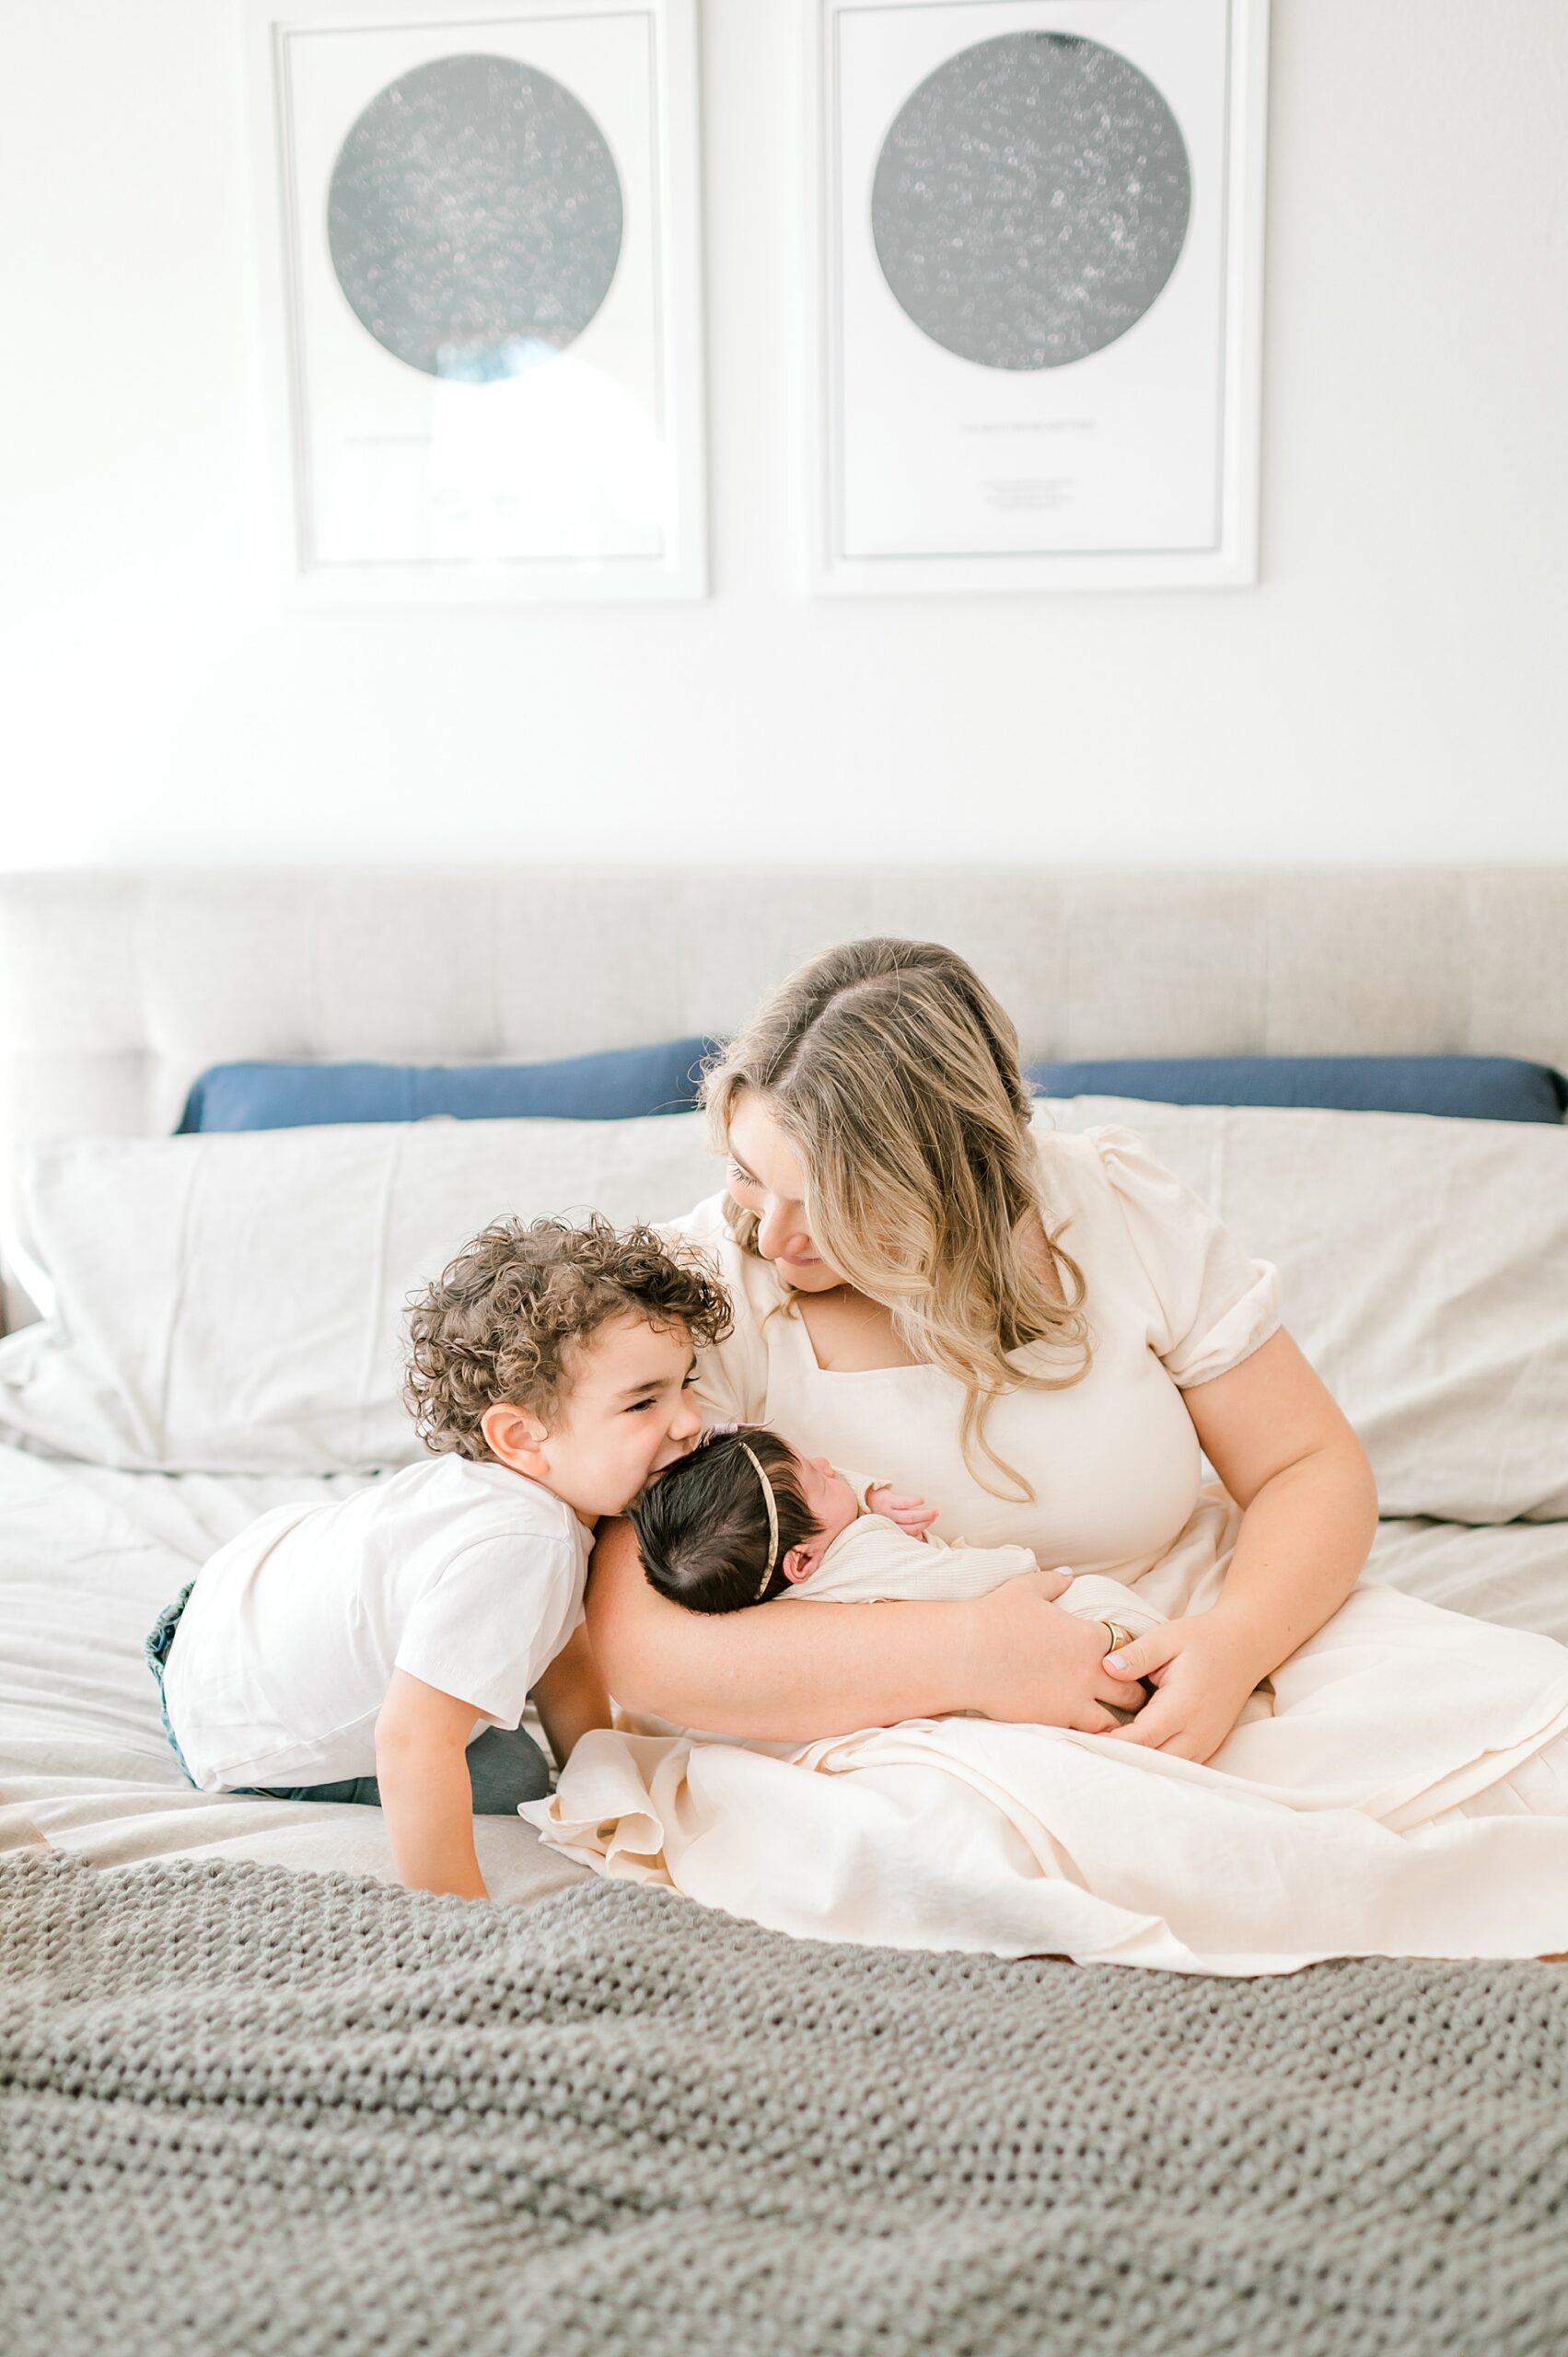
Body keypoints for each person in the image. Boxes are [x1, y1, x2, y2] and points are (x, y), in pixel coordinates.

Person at [530, 938, 1568, 1973]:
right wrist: (971, 1656)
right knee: (956, 1849)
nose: (776, 1234)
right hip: (888, 1702)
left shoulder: (1108, 1206)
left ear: (950, 1185)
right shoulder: (702, 1294)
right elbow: (635, 1643)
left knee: (1540, 1740)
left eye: (835, 1206)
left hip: (1191, 1623)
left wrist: (1231, 1647)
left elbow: (1306, 1464)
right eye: (751, 1176)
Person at [147, 1215, 729, 1901]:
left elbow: (564, 1657)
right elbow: (412, 1740)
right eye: (642, 1403)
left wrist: (601, 1780)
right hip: (231, 1729)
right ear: (519, 1435)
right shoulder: (524, 1544)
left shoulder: (507, 1491)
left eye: (685, 1384)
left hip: (206, 1608)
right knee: (511, 1775)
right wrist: (458, 1913)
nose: (690, 1420)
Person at [629, 1424, 1163, 1700]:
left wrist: (867, 1496)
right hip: (1022, 1627)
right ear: (801, 1560)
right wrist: (1021, 1565)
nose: (826, 1464)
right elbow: (954, 1577)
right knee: (1097, 1598)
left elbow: (820, 1500)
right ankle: (1164, 1654)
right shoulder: (869, 1556)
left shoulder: (776, 1574)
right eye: (820, 1480)